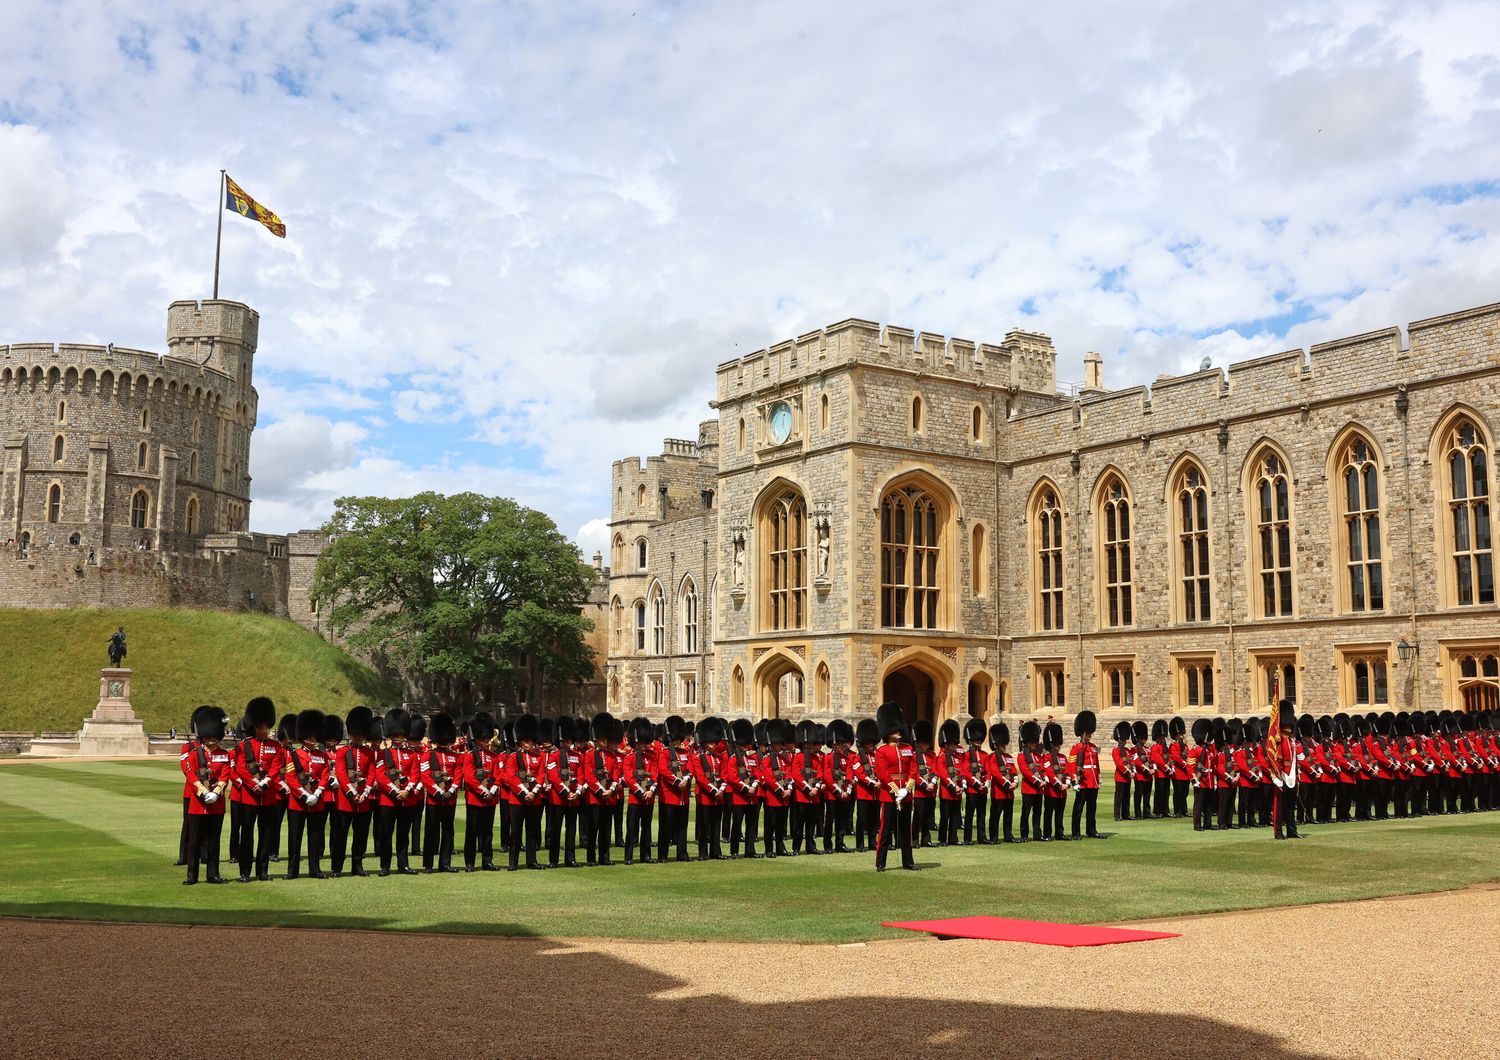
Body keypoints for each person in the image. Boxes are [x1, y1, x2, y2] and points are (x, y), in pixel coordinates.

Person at [231, 696, 283, 882]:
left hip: (268, 796)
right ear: (254, 726)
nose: (264, 730)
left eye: (266, 727)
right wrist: (254, 784)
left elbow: (277, 766)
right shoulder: (245, 746)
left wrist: (266, 781)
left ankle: (263, 870)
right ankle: (245, 871)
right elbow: (240, 768)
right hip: (249, 797)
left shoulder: (275, 746)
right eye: (261, 727)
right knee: (247, 834)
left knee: (266, 834)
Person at [182, 706, 232, 885]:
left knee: (214, 841)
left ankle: (213, 874)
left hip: (216, 804)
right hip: (197, 804)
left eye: (214, 737)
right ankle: (192, 876)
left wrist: (216, 792)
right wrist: (203, 791)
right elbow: (190, 774)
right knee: (194, 842)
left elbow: (225, 775)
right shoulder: (195, 754)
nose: (212, 740)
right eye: (209, 736)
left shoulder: (223, 755)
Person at [283, 709, 331, 880]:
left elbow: (325, 775)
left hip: (317, 800)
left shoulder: (321, 755)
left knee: (315, 837)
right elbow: (291, 778)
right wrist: (304, 795)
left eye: (314, 737)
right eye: (309, 737)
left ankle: (315, 869)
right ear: (303, 736)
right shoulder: (294, 755)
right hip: (298, 802)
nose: (312, 740)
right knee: (294, 837)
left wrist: (318, 792)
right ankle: (292, 870)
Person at [330, 706, 377, 877]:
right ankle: (337, 867)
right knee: (340, 835)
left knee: (361, 835)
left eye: (362, 734)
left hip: (363, 799)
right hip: (346, 800)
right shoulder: (342, 752)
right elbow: (341, 774)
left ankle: (357, 865)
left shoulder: (369, 752)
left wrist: (364, 793)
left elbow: (372, 773)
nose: (359, 737)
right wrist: (351, 793)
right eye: (357, 734)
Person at [373, 709, 420, 876]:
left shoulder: (412, 755)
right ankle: (385, 865)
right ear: (391, 735)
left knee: (403, 834)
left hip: (407, 799)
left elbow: (415, 774)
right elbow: (380, 775)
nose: (398, 737)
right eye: (396, 734)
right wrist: (394, 791)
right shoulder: (383, 753)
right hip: (388, 800)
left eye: (401, 734)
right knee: (386, 833)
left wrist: (407, 790)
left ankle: (403, 864)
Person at [872, 702, 915, 872]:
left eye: (898, 730)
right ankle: (881, 863)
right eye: (894, 730)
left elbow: (913, 770)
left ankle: (908, 862)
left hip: (906, 793)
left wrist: (906, 789)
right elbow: (883, 774)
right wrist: (896, 791)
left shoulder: (908, 748)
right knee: (885, 830)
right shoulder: (881, 751)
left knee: (906, 830)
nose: (897, 732)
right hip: (889, 795)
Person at [418, 713, 462, 873]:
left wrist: (450, 791)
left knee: (448, 832)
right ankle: (428, 864)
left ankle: (445, 863)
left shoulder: (454, 756)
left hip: (449, 799)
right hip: (433, 800)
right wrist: (437, 791)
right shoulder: (428, 755)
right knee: (431, 831)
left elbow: (458, 776)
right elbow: (425, 776)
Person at [459, 712, 502, 871]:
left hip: (490, 799)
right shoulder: (470, 756)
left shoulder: (494, 756)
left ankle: (487, 861)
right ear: (476, 739)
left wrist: (492, 790)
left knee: (487, 832)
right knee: (472, 832)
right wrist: (483, 790)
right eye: (482, 739)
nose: (484, 742)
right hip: (475, 799)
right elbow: (469, 777)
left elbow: (498, 775)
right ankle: (470, 862)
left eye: (486, 739)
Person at [505, 713, 547, 871]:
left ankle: (532, 860)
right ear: (521, 741)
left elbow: (541, 774)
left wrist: (534, 792)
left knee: (532, 831)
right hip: (518, 799)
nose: (529, 743)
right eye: (526, 740)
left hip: (534, 799)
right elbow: (511, 777)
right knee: (515, 832)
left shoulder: (539, 756)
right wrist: (524, 793)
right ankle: (513, 862)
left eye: (531, 740)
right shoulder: (514, 757)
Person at [543, 716, 584, 868]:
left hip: (574, 798)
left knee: (571, 830)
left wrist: (577, 792)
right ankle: (553, 860)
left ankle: (570, 858)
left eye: (568, 741)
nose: (566, 743)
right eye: (563, 741)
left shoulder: (577, 756)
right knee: (556, 829)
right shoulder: (553, 756)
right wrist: (566, 792)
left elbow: (581, 775)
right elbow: (553, 776)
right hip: (558, 798)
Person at [582, 712, 622, 866]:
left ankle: (604, 857)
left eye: (606, 739)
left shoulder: (611, 756)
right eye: (602, 739)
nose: (605, 742)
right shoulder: (590, 755)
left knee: (606, 829)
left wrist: (611, 790)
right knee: (594, 829)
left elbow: (615, 775)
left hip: (609, 798)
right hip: (595, 798)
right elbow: (589, 776)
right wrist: (600, 791)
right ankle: (591, 858)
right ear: (597, 739)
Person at [655, 715, 693, 862]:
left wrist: (686, 779)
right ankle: (662, 855)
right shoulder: (664, 753)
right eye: (675, 739)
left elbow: (690, 768)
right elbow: (663, 770)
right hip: (669, 795)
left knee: (682, 827)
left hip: (683, 797)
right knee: (666, 827)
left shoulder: (685, 753)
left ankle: (682, 853)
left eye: (679, 739)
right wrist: (678, 782)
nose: (677, 741)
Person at [622, 717, 659, 864]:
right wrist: (640, 792)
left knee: (646, 828)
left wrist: (651, 791)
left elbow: (655, 776)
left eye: (644, 742)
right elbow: (629, 778)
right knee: (632, 829)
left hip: (649, 798)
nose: (642, 745)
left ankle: (646, 855)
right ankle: (629, 856)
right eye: (639, 743)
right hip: (635, 799)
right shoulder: (629, 758)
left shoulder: (651, 757)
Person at [723, 718, 761, 858]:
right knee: (737, 824)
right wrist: (746, 789)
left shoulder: (753, 758)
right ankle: (734, 851)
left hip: (753, 797)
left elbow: (757, 773)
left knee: (751, 825)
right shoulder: (733, 759)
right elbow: (733, 778)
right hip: (739, 797)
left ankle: (750, 850)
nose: (745, 746)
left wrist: (754, 786)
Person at [692, 717, 729, 861]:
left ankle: (716, 851)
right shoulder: (698, 758)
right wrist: (714, 791)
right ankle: (703, 852)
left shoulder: (719, 758)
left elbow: (724, 774)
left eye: (715, 742)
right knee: (704, 826)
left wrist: (721, 789)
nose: (713, 744)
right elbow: (700, 778)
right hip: (706, 797)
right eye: (710, 742)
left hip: (718, 796)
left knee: (716, 825)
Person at [759, 719, 795, 857]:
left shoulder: (784, 759)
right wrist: (781, 791)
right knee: (770, 826)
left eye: (780, 744)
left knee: (781, 825)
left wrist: (789, 789)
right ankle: (769, 849)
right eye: (776, 744)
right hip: (773, 797)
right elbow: (769, 778)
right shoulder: (767, 759)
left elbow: (789, 774)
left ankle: (780, 847)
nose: (779, 746)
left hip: (784, 796)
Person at [1068, 710, 1104, 839]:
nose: (1089, 736)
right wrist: (1074, 781)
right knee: (1078, 808)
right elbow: (1071, 764)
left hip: (1092, 781)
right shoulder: (1077, 747)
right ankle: (1076, 832)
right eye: (1087, 734)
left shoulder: (1093, 747)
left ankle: (1091, 830)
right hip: (1082, 781)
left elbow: (1096, 764)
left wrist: (1098, 778)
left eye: (1090, 734)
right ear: (1082, 733)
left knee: (1092, 808)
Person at [1268, 700, 1302, 840]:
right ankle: (1278, 831)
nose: (1289, 727)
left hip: (1292, 775)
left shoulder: (1291, 740)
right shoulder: (1279, 739)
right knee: (1279, 806)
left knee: (1290, 805)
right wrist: (1276, 776)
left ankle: (1291, 830)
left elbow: (1295, 759)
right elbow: (1277, 758)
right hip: (1282, 775)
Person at [851, 718, 882, 851]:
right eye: (869, 743)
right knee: (862, 819)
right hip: (864, 793)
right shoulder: (858, 758)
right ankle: (860, 844)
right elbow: (859, 774)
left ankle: (872, 842)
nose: (871, 745)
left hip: (876, 793)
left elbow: (880, 770)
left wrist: (880, 781)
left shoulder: (876, 756)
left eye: (872, 743)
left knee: (874, 820)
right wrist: (872, 783)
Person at [985, 722, 1017, 842]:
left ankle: (1008, 836)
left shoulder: (1008, 756)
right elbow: (995, 773)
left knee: (1008, 816)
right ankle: (993, 837)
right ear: (996, 744)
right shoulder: (992, 757)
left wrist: (1015, 782)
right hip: (999, 792)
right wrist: (1008, 784)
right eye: (1001, 744)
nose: (1003, 746)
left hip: (1010, 792)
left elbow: (1013, 770)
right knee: (995, 816)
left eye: (1004, 743)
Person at [910, 719, 939, 848]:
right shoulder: (914, 756)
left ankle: (926, 839)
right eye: (923, 743)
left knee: (928, 817)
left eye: (927, 743)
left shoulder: (932, 755)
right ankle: (914, 839)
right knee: (918, 817)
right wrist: (924, 785)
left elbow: (935, 770)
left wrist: (932, 783)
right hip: (919, 792)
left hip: (931, 790)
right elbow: (915, 773)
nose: (926, 746)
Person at [961, 718, 990, 844]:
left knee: (982, 814)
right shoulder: (967, 755)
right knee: (969, 814)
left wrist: (987, 782)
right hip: (972, 788)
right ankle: (967, 838)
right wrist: (976, 782)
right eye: (976, 739)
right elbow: (965, 771)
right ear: (971, 740)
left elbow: (988, 771)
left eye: (980, 739)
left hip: (983, 788)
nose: (979, 741)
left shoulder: (984, 755)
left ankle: (982, 837)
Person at [1016, 720, 1046, 841]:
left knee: (1038, 813)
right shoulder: (1022, 756)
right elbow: (1026, 772)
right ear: (1027, 743)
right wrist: (1038, 781)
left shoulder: (1038, 756)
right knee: (1026, 813)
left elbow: (1043, 769)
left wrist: (1045, 779)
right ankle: (1024, 834)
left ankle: (1037, 834)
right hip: (1028, 789)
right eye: (1032, 742)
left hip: (1039, 790)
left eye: (1035, 742)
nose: (1035, 744)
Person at [936, 719, 965, 846]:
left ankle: (953, 838)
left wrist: (962, 785)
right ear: (946, 744)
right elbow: (943, 774)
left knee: (954, 816)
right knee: (945, 817)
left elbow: (962, 772)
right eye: (952, 744)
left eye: (955, 744)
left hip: (957, 792)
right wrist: (953, 787)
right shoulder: (942, 757)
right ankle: (943, 839)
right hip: (947, 792)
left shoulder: (957, 758)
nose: (954, 747)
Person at [1110, 721, 1133, 821]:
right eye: (1122, 740)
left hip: (1128, 777)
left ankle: (1126, 814)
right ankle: (1117, 815)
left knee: (1127, 797)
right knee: (1119, 797)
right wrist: (1128, 772)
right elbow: (1119, 763)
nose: (1124, 741)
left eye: (1124, 740)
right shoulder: (1116, 750)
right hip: (1121, 777)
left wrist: (1133, 771)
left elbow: (1131, 762)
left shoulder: (1127, 751)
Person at [1169, 717, 1191, 817]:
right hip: (1178, 773)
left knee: (1185, 793)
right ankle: (1178, 811)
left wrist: (1189, 764)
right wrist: (1185, 764)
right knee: (1178, 793)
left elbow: (1189, 755)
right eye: (1180, 735)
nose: (1182, 736)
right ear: (1176, 736)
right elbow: (1176, 758)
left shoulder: (1185, 746)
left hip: (1186, 774)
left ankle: (1184, 810)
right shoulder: (1173, 746)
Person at [1150, 719, 1172, 817]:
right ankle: (1157, 811)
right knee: (1159, 793)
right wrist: (1167, 767)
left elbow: (1169, 756)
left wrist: (1170, 764)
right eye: (1162, 737)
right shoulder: (1155, 747)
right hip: (1160, 774)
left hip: (1167, 774)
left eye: (1164, 736)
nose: (1163, 738)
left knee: (1166, 793)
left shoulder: (1165, 747)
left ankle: (1165, 810)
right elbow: (1158, 760)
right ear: (1158, 738)